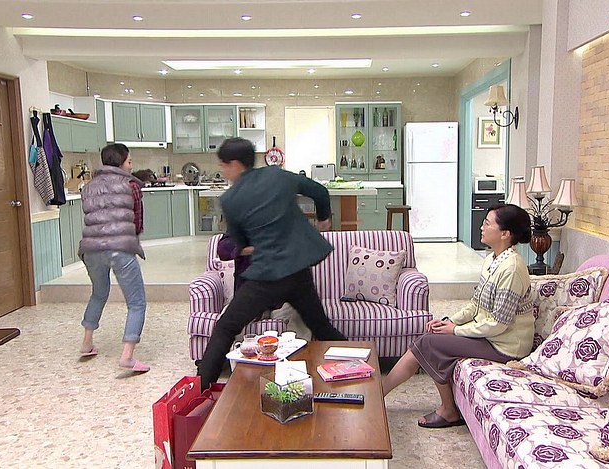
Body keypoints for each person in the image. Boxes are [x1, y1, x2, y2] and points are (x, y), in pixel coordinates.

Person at [196, 137, 346, 389]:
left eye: (223, 165)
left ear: (234, 164)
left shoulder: (230, 199)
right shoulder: (278, 175)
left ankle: (199, 392)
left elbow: (241, 243)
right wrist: (323, 220)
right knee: (321, 326)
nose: (223, 171)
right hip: (298, 271)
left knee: (225, 327)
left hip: (267, 277)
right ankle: (360, 366)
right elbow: (320, 192)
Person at [382, 204, 534, 428]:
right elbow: (476, 305)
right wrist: (450, 322)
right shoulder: (492, 260)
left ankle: (444, 409)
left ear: (505, 234)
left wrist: (455, 330)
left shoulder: (511, 269)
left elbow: (498, 323)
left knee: (430, 343)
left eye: (487, 223)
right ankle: (382, 395)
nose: (482, 227)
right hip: (491, 336)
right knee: (431, 338)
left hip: (505, 346)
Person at [77, 143, 150, 373]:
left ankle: (87, 343)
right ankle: (127, 357)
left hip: (91, 249)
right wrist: (131, 238)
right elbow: (137, 221)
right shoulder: (131, 185)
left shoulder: (88, 186)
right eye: (129, 161)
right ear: (121, 163)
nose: (131, 166)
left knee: (99, 293)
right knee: (136, 302)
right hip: (120, 248)